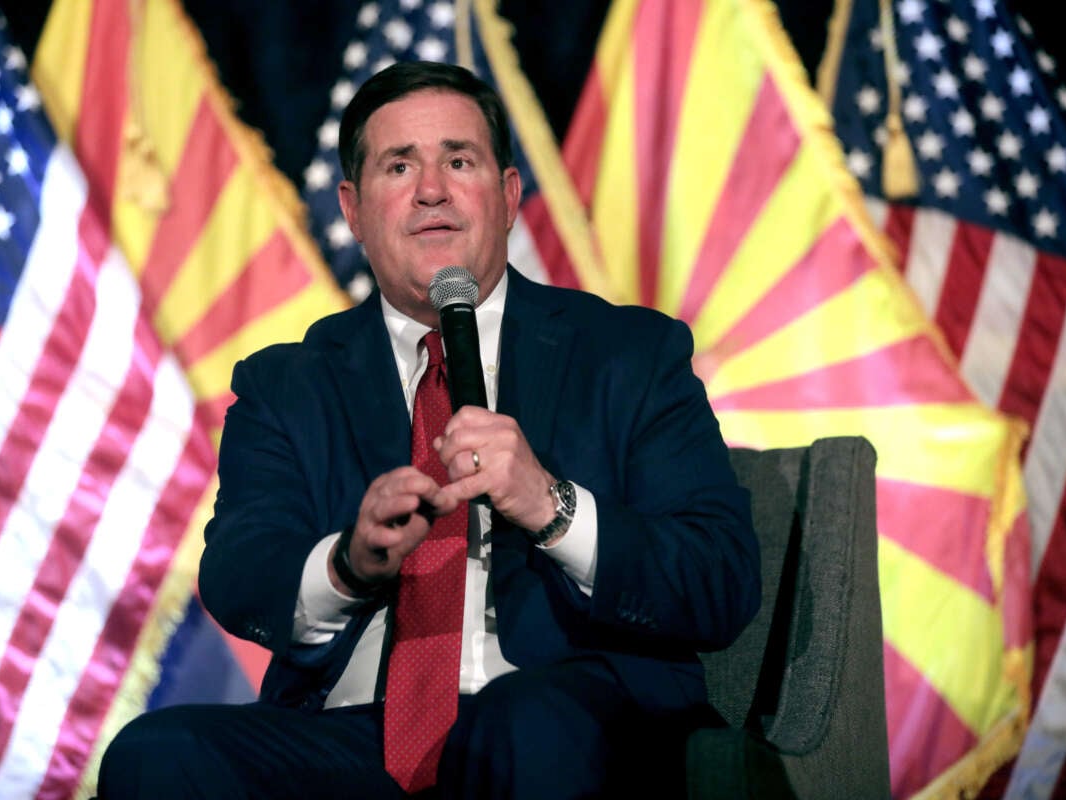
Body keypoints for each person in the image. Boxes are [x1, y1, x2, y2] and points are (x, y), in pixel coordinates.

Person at [97, 60, 761, 799]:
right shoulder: (287, 384)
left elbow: (719, 578)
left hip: (564, 717)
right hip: (355, 738)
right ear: (352, 208)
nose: (432, 189)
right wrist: (350, 563)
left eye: (459, 160)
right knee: (155, 754)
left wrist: (550, 505)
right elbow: (241, 573)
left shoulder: (628, 355)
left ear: (508, 196)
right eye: (399, 165)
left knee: (524, 725)